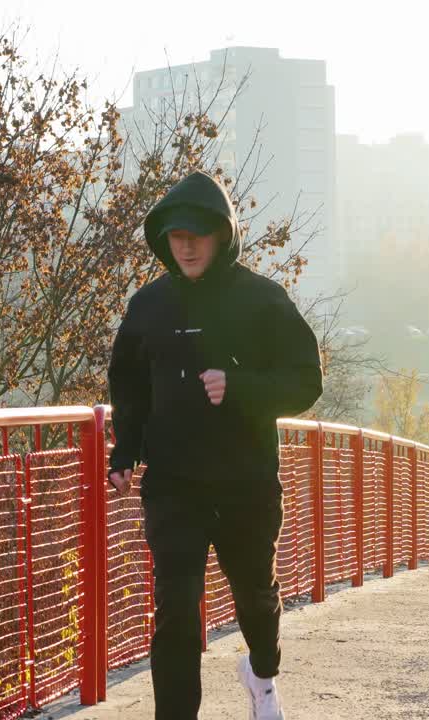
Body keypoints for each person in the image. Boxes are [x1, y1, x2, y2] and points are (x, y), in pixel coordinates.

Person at [106, 170, 323, 720]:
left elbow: (307, 381)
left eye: (197, 235)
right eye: (177, 236)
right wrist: (124, 451)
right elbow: (128, 386)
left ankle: (262, 674)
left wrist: (240, 386)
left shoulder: (262, 299)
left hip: (245, 483)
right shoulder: (148, 306)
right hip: (174, 485)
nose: (186, 247)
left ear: (223, 235)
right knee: (176, 610)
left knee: (256, 597)